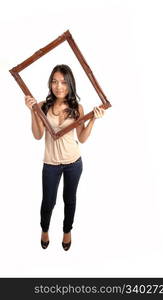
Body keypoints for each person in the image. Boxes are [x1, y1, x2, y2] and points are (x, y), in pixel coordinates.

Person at [25, 64, 105, 251]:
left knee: (69, 199)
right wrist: (32, 111)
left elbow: (82, 138)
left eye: (62, 82)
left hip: (73, 163)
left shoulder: (77, 107)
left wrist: (93, 119)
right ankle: (44, 230)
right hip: (51, 164)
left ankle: (67, 231)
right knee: (48, 201)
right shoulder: (43, 106)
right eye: (54, 81)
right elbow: (37, 136)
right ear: (50, 84)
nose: (58, 86)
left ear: (70, 84)